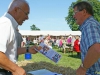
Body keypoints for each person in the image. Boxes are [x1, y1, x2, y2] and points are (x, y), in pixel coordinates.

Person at [0, 0, 38, 75]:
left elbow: (9, 51)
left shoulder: (9, 24)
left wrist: (28, 49)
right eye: (26, 14)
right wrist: (15, 69)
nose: (27, 18)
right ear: (16, 10)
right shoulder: (6, 23)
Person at [73, 1, 100, 75]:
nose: (73, 16)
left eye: (75, 13)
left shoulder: (90, 25)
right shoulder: (92, 24)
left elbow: (96, 49)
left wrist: (83, 68)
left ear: (84, 12)